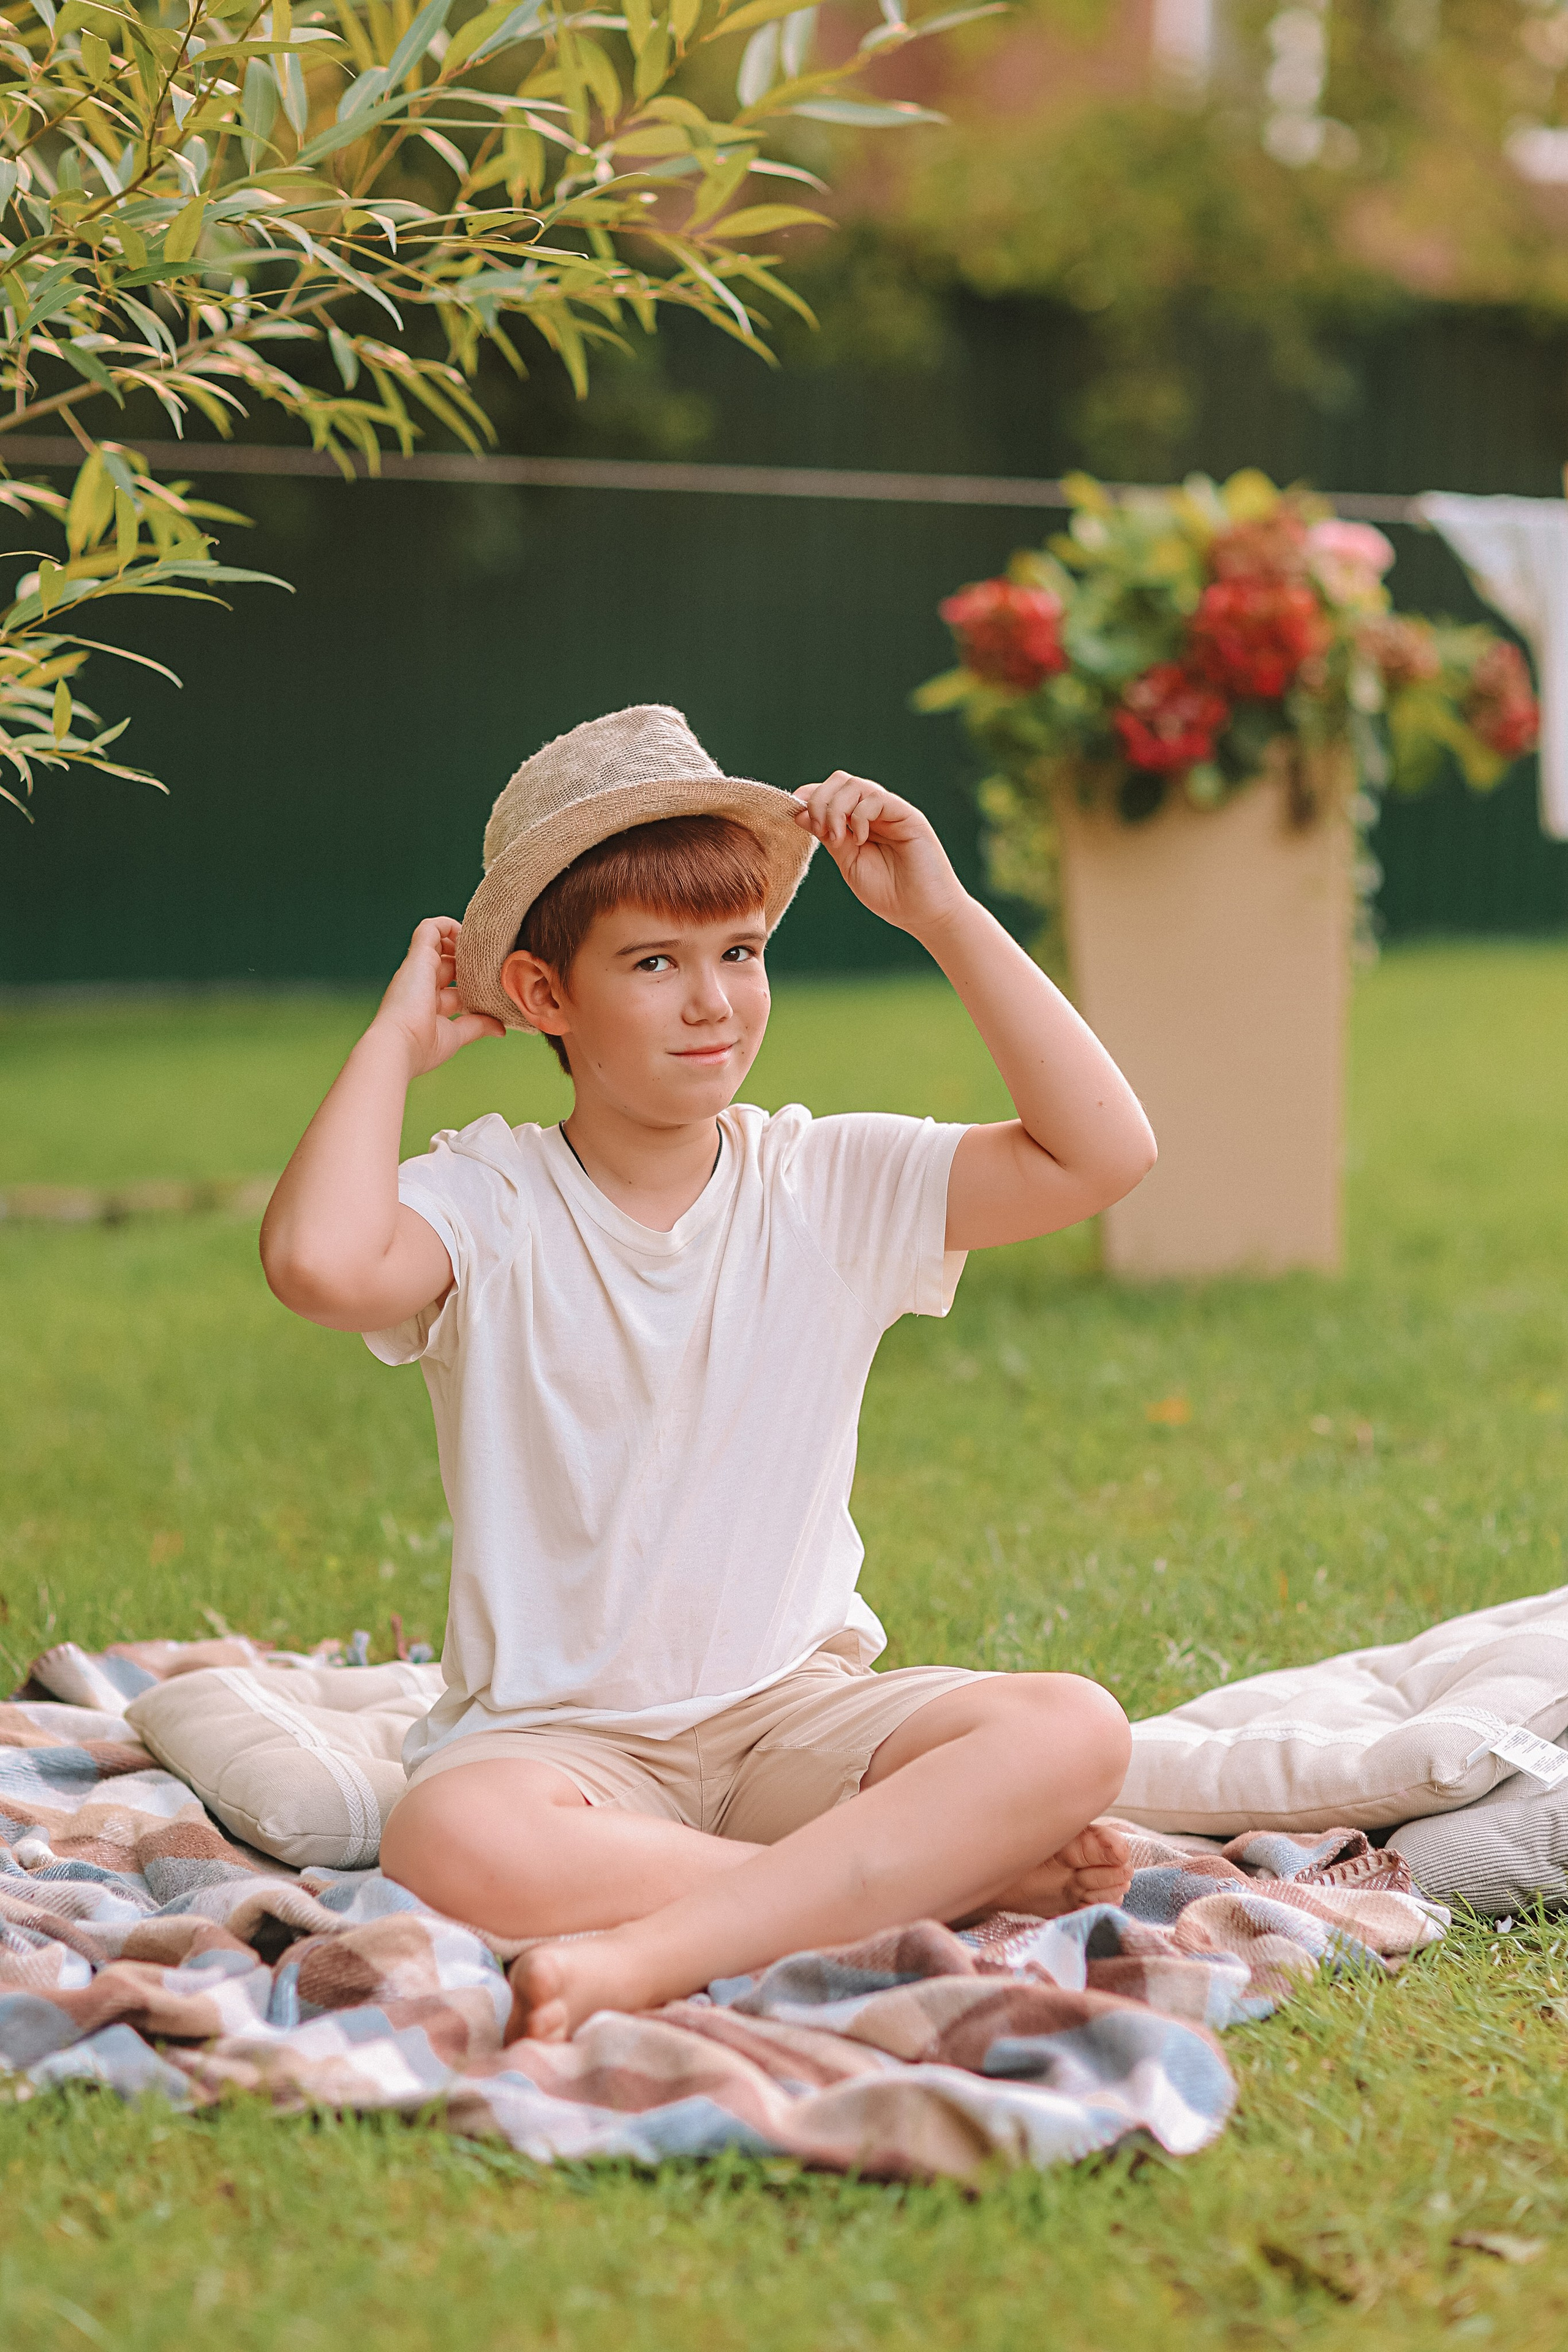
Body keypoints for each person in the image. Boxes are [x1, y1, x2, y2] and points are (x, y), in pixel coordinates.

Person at [260, 705, 1156, 2043]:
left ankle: (656, 1949)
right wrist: (391, 1043)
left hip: (790, 1723)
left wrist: (945, 916)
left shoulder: (825, 1179)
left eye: (738, 952)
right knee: (447, 1836)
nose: (712, 1000)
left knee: (1070, 1728)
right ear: (544, 996)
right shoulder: (492, 1199)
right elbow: (320, 1266)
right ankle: (887, 1896)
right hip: (560, 1752)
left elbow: (1101, 1154)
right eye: (653, 962)